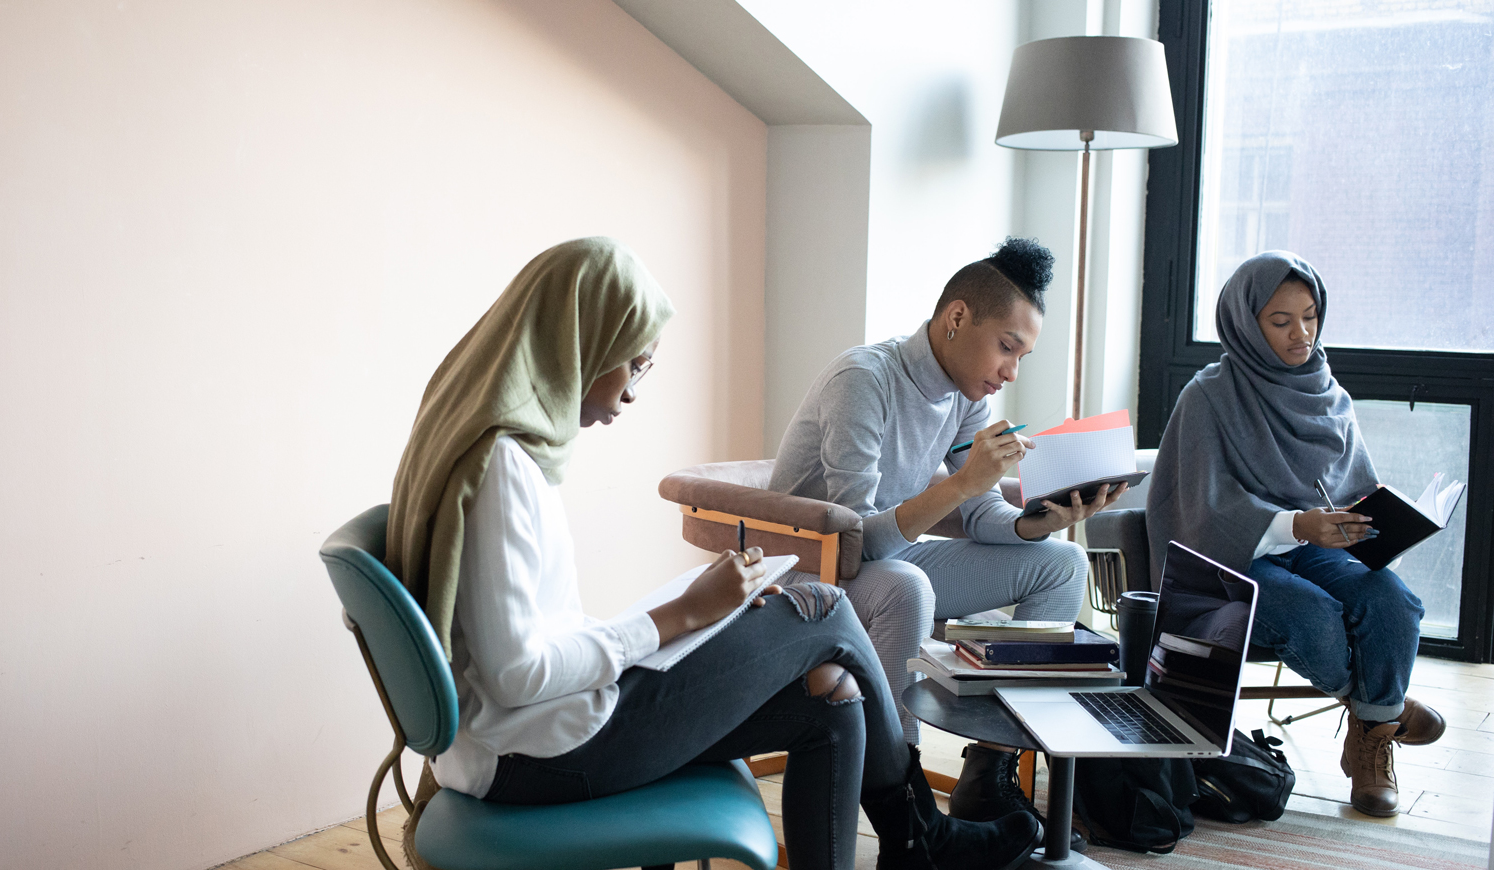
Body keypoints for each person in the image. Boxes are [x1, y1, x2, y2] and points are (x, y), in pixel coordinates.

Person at [383, 237, 1042, 870]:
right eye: (634, 364)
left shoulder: (503, 453)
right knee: (821, 607)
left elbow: (532, 644)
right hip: (540, 754)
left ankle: (912, 844)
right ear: (576, 343)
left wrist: (687, 617)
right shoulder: (501, 472)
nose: (634, 390)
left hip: (549, 729)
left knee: (833, 701)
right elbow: (518, 676)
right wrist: (680, 616)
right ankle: (923, 834)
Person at [767, 238, 1124, 832]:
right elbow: (852, 545)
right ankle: (904, 811)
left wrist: (1041, 521)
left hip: (890, 562)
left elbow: (981, 513)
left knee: (1062, 564)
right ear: (957, 317)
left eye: (1022, 356)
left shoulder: (966, 397)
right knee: (906, 584)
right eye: (1006, 347)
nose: (1011, 372)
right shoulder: (863, 380)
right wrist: (960, 483)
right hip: (811, 568)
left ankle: (990, 772)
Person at [1145, 250, 1446, 817]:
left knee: (1394, 601)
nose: (1301, 334)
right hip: (1233, 557)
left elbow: (1354, 487)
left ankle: (1371, 733)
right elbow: (1202, 511)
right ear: (1245, 323)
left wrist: (1375, 525)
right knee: (1311, 617)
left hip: (1314, 547)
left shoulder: (1327, 390)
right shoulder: (1208, 396)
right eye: (1280, 321)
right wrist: (1296, 523)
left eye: (1310, 317)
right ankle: (1383, 715)